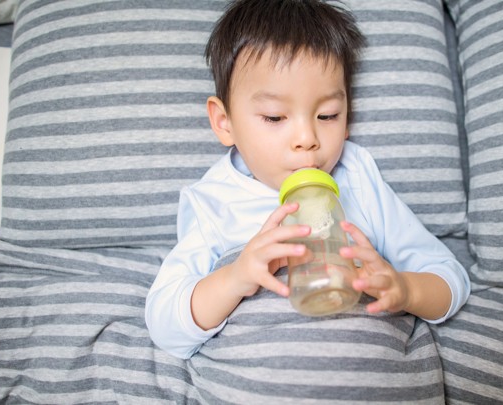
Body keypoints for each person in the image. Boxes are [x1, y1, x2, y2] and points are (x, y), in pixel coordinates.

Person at [145, 0, 470, 359]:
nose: (307, 138)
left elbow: (449, 277)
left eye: (328, 115)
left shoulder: (357, 177)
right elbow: (165, 327)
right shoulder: (215, 203)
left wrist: (407, 289)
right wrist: (235, 278)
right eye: (273, 117)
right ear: (225, 122)